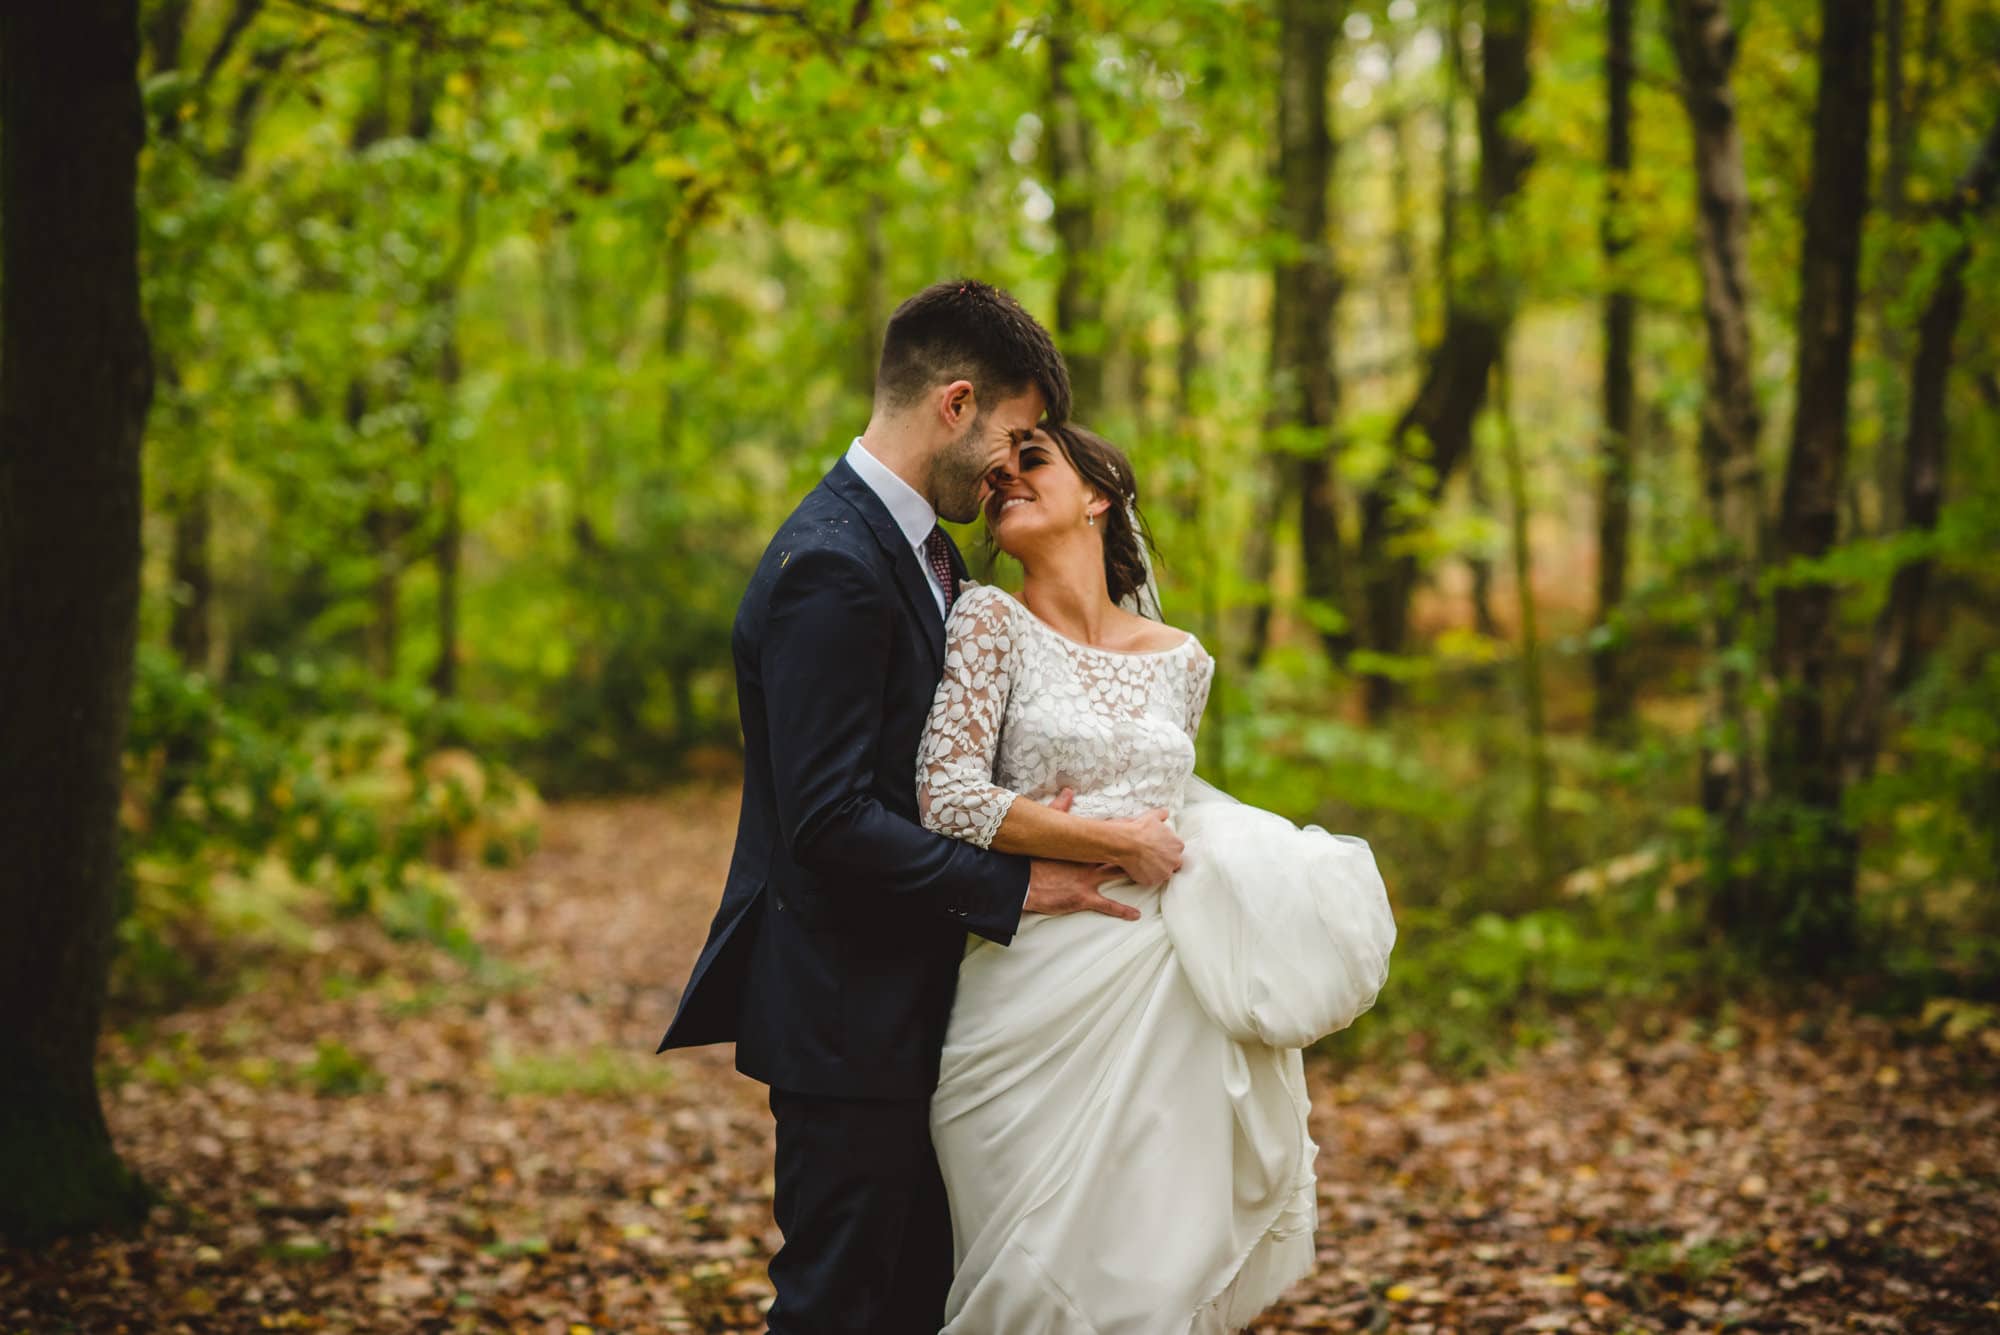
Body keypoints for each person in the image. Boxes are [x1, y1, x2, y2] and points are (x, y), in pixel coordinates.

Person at [654, 280, 1183, 1335]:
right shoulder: (833, 565)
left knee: (913, 1304)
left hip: (929, 1010)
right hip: (847, 1019)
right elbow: (830, 818)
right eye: (1015, 434)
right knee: (834, 1308)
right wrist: (1020, 882)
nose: (1009, 466)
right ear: (954, 405)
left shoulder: (917, 552)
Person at [915, 422, 1398, 1333]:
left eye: (1033, 460)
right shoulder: (987, 619)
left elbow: (1175, 810)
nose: (1005, 478)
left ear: (1099, 494)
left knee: (1148, 1276)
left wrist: (1182, 854)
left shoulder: (1184, 658)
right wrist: (1100, 838)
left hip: (1166, 991)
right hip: (1030, 990)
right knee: (1026, 1275)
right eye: (998, 472)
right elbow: (943, 796)